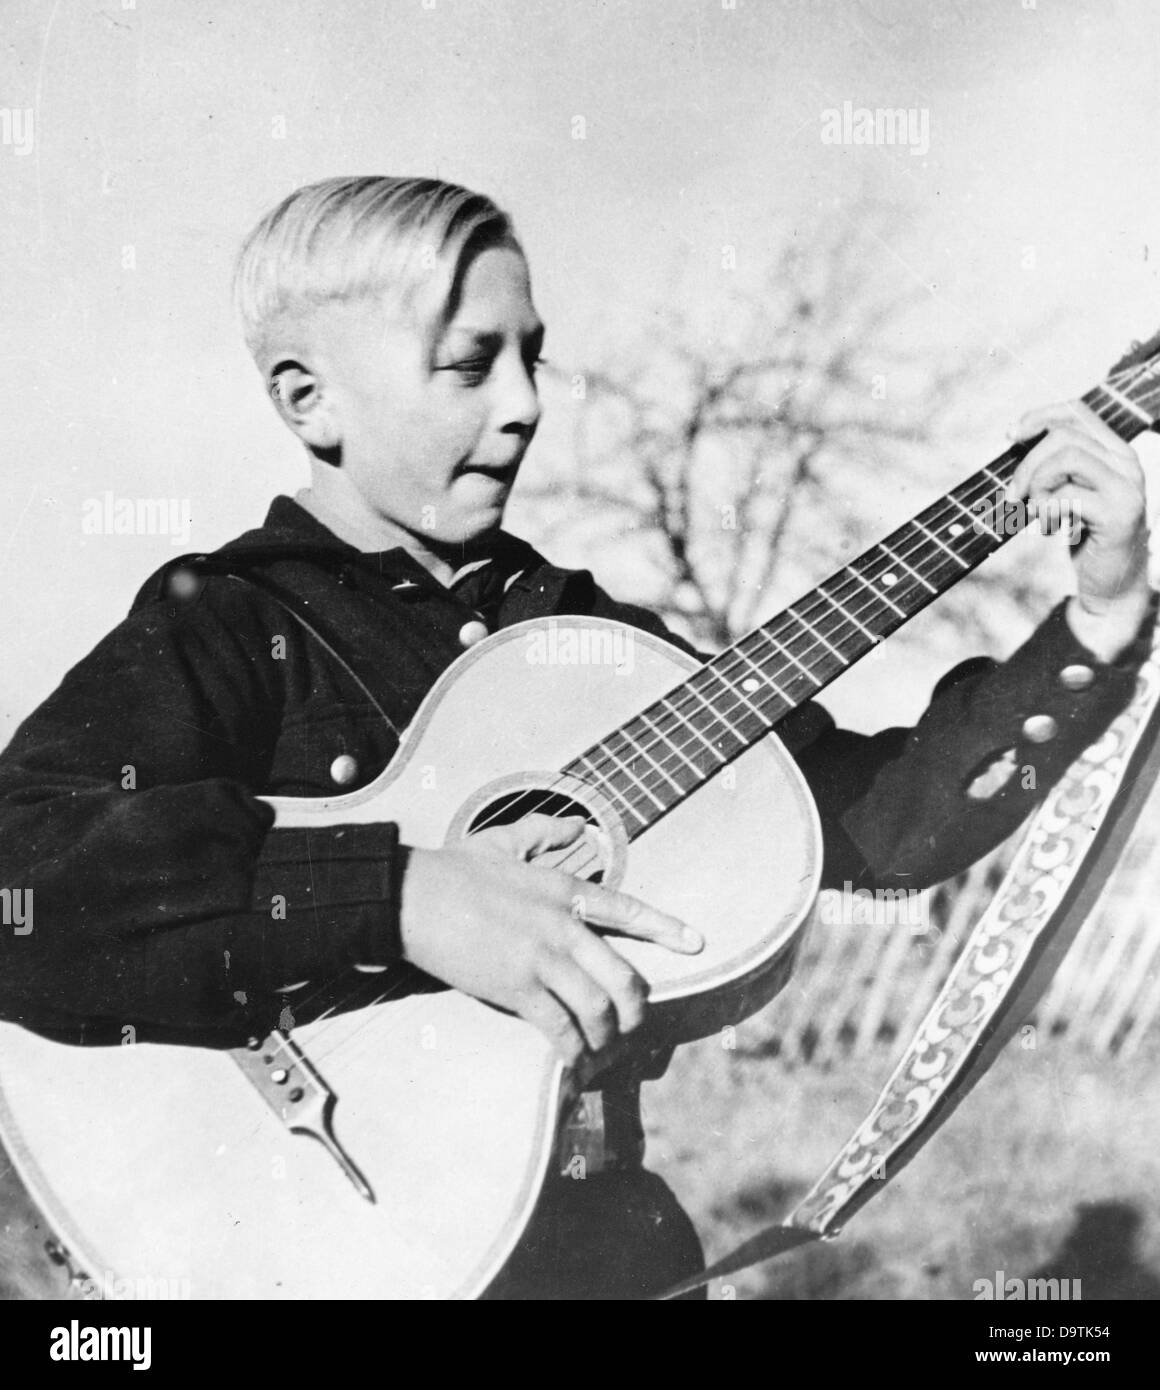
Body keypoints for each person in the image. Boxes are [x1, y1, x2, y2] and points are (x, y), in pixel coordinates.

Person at [0, 176, 1152, 1300]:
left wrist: (1093, 621)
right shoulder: (235, 622)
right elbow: (25, 871)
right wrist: (397, 894)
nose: (522, 403)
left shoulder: (586, 637)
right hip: (323, 1229)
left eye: (528, 356)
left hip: (606, 1250)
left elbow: (872, 828)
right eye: (466, 363)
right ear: (310, 401)